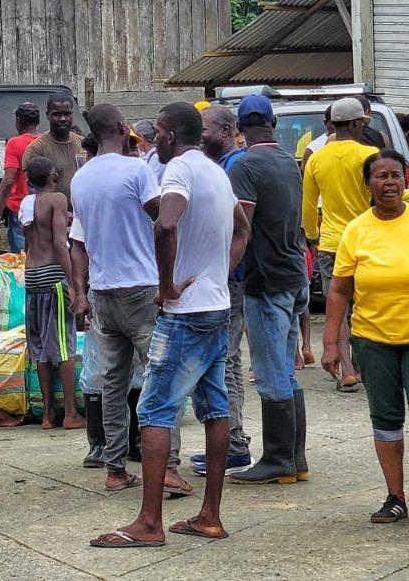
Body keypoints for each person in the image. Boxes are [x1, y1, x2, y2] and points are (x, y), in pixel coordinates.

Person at [92, 102, 249, 549]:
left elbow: (165, 224)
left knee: (155, 410)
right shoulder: (217, 171)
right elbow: (242, 231)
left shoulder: (179, 168)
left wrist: (166, 287)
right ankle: (209, 516)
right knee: (216, 408)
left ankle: (149, 523)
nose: (153, 139)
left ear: (167, 134)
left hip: (185, 315)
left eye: (157, 131)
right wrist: (218, 273)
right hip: (216, 308)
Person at [71, 105, 187, 495]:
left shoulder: (81, 178)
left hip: (103, 290)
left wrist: (80, 293)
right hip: (142, 288)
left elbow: (80, 243)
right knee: (162, 379)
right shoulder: (137, 170)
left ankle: (114, 466)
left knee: (112, 384)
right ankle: (168, 465)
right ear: (123, 128)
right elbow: (163, 220)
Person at [226, 95, 311, 486]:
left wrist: (223, 271)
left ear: (240, 129)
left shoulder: (245, 165)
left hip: (266, 280)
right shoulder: (288, 162)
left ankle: (278, 458)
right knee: (287, 370)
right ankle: (295, 458)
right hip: (295, 274)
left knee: (270, 370)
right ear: (273, 123)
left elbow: (242, 228)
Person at [323, 150, 409, 523]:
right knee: (386, 420)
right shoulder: (356, 230)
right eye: (381, 176)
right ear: (367, 185)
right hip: (373, 341)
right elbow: (340, 290)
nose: (390, 182)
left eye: (396, 175)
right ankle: (395, 496)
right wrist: (330, 344)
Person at [303, 97, 377, 393]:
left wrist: (312, 238)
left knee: (338, 307)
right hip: (367, 241)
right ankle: (368, 366)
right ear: (358, 123)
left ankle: (347, 370)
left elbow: (308, 206)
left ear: (333, 124)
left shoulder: (316, 159)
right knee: (365, 306)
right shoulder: (369, 154)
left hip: (333, 244)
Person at [193, 106, 252, 477]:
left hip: (229, 280)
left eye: (205, 129)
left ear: (228, 130)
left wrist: (220, 270)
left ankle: (234, 445)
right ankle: (232, 442)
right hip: (228, 278)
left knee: (226, 362)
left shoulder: (232, 168)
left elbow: (239, 229)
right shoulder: (225, 165)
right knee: (226, 361)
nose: (200, 136)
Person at [20, 156, 82, 431]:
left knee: (40, 347)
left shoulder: (25, 203)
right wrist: (73, 284)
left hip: (31, 275)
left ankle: (47, 415)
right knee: (63, 343)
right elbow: (59, 242)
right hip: (52, 275)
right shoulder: (57, 199)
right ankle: (70, 413)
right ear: (53, 176)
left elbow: (28, 240)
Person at [0, 103, 41, 255]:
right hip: (43, 206)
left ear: (18, 121)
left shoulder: (14, 143)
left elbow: (8, 180)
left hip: (19, 209)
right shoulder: (45, 142)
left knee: (20, 259)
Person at [23, 94, 80, 199]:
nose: (63, 119)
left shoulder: (83, 144)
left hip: (81, 214)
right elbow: (32, 189)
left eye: (67, 114)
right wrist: (57, 209)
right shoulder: (37, 149)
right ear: (47, 115)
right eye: (57, 114)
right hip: (52, 214)